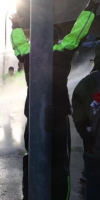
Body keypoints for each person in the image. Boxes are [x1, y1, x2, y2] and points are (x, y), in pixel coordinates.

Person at [10, 1, 98, 199]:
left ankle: (30, 194)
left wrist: (15, 26)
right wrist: (90, 8)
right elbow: (78, 32)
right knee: (60, 163)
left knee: (31, 158)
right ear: (56, 40)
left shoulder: (28, 55)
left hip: (33, 115)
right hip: (58, 116)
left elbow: (18, 43)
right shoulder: (61, 53)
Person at [72, 44, 100, 200]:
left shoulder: (86, 83)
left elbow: (78, 116)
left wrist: (87, 137)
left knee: (94, 187)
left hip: (93, 149)